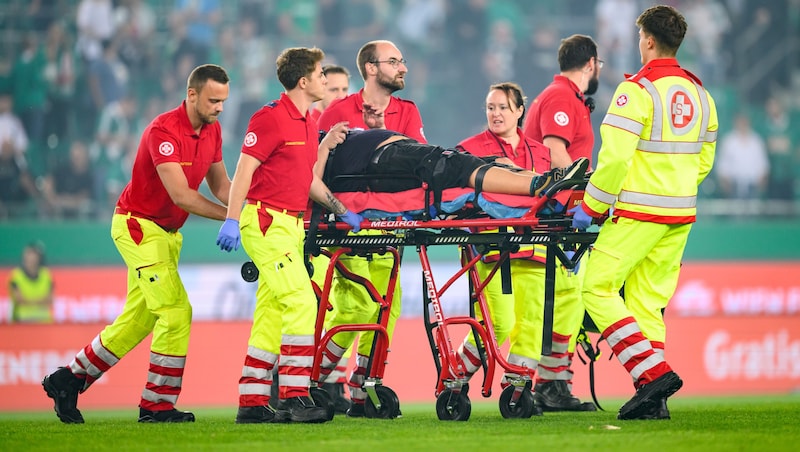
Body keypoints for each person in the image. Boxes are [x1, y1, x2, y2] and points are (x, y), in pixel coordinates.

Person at [42, 64, 233, 424]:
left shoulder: (214, 130)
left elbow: (222, 185)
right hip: (138, 228)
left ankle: (67, 379)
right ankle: (157, 405)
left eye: (223, 100)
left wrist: (246, 207)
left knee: (140, 319)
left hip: (166, 235)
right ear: (191, 94)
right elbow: (181, 195)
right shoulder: (164, 130)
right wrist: (231, 217)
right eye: (213, 100)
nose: (219, 107)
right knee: (176, 312)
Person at [571, 5, 718, 420]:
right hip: (680, 214)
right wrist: (675, 188)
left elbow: (614, 161)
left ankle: (653, 375)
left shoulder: (635, 91)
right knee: (647, 305)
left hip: (637, 212)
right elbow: (704, 161)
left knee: (596, 288)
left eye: (640, 38)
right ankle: (654, 402)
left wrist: (592, 207)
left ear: (648, 40)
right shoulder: (701, 95)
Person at [215, 46, 358, 424]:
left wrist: (342, 211)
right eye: (321, 73)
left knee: (272, 312)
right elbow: (243, 171)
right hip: (266, 223)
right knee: (301, 302)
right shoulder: (270, 118)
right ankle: (294, 396)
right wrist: (231, 219)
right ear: (304, 80)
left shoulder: (308, 122)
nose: (326, 80)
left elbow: (307, 180)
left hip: (291, 226)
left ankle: (252, 400)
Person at [316, 39, 425, 417]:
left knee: (386, 309)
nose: (403, 67)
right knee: (357, 305)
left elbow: (421, 164)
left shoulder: (407, 112)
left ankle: (363, 391)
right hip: (349, 228)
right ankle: (309, 380)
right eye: (394, 61)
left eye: (402, 60)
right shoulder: (336, 112)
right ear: (370, 68)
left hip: (391, 227)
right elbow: (316, 170)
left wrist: (380, 134)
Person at [450, 82, 553, 411]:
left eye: (503, 108)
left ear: (520, 111)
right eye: (490, 107)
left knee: (533, 321)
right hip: (491, 249)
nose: (495, 114)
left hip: (534, 248)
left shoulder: (541, 152)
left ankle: (518, 389)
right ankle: (454, 380)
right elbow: (456, 198)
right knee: (498, 324)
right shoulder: (469, 150)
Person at [523, 34, 601, 412]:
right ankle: (547, 384)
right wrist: (587, 195)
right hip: (555, 214)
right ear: (591, 63)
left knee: (566, 299)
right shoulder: (561, 98)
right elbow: (556, 153)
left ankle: (552, 382)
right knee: (561, 298)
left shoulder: (566, 98)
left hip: (559, 213)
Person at [8, 242, 54, 323]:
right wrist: (39, 301)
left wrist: (29, 301)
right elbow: (19, 299)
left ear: (40, 258)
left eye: (34, 255)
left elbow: (50, 299)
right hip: (22, 320)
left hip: (43, 321)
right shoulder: (16, 275)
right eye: (29, 254)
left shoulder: (46, 275)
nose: (31, 258)